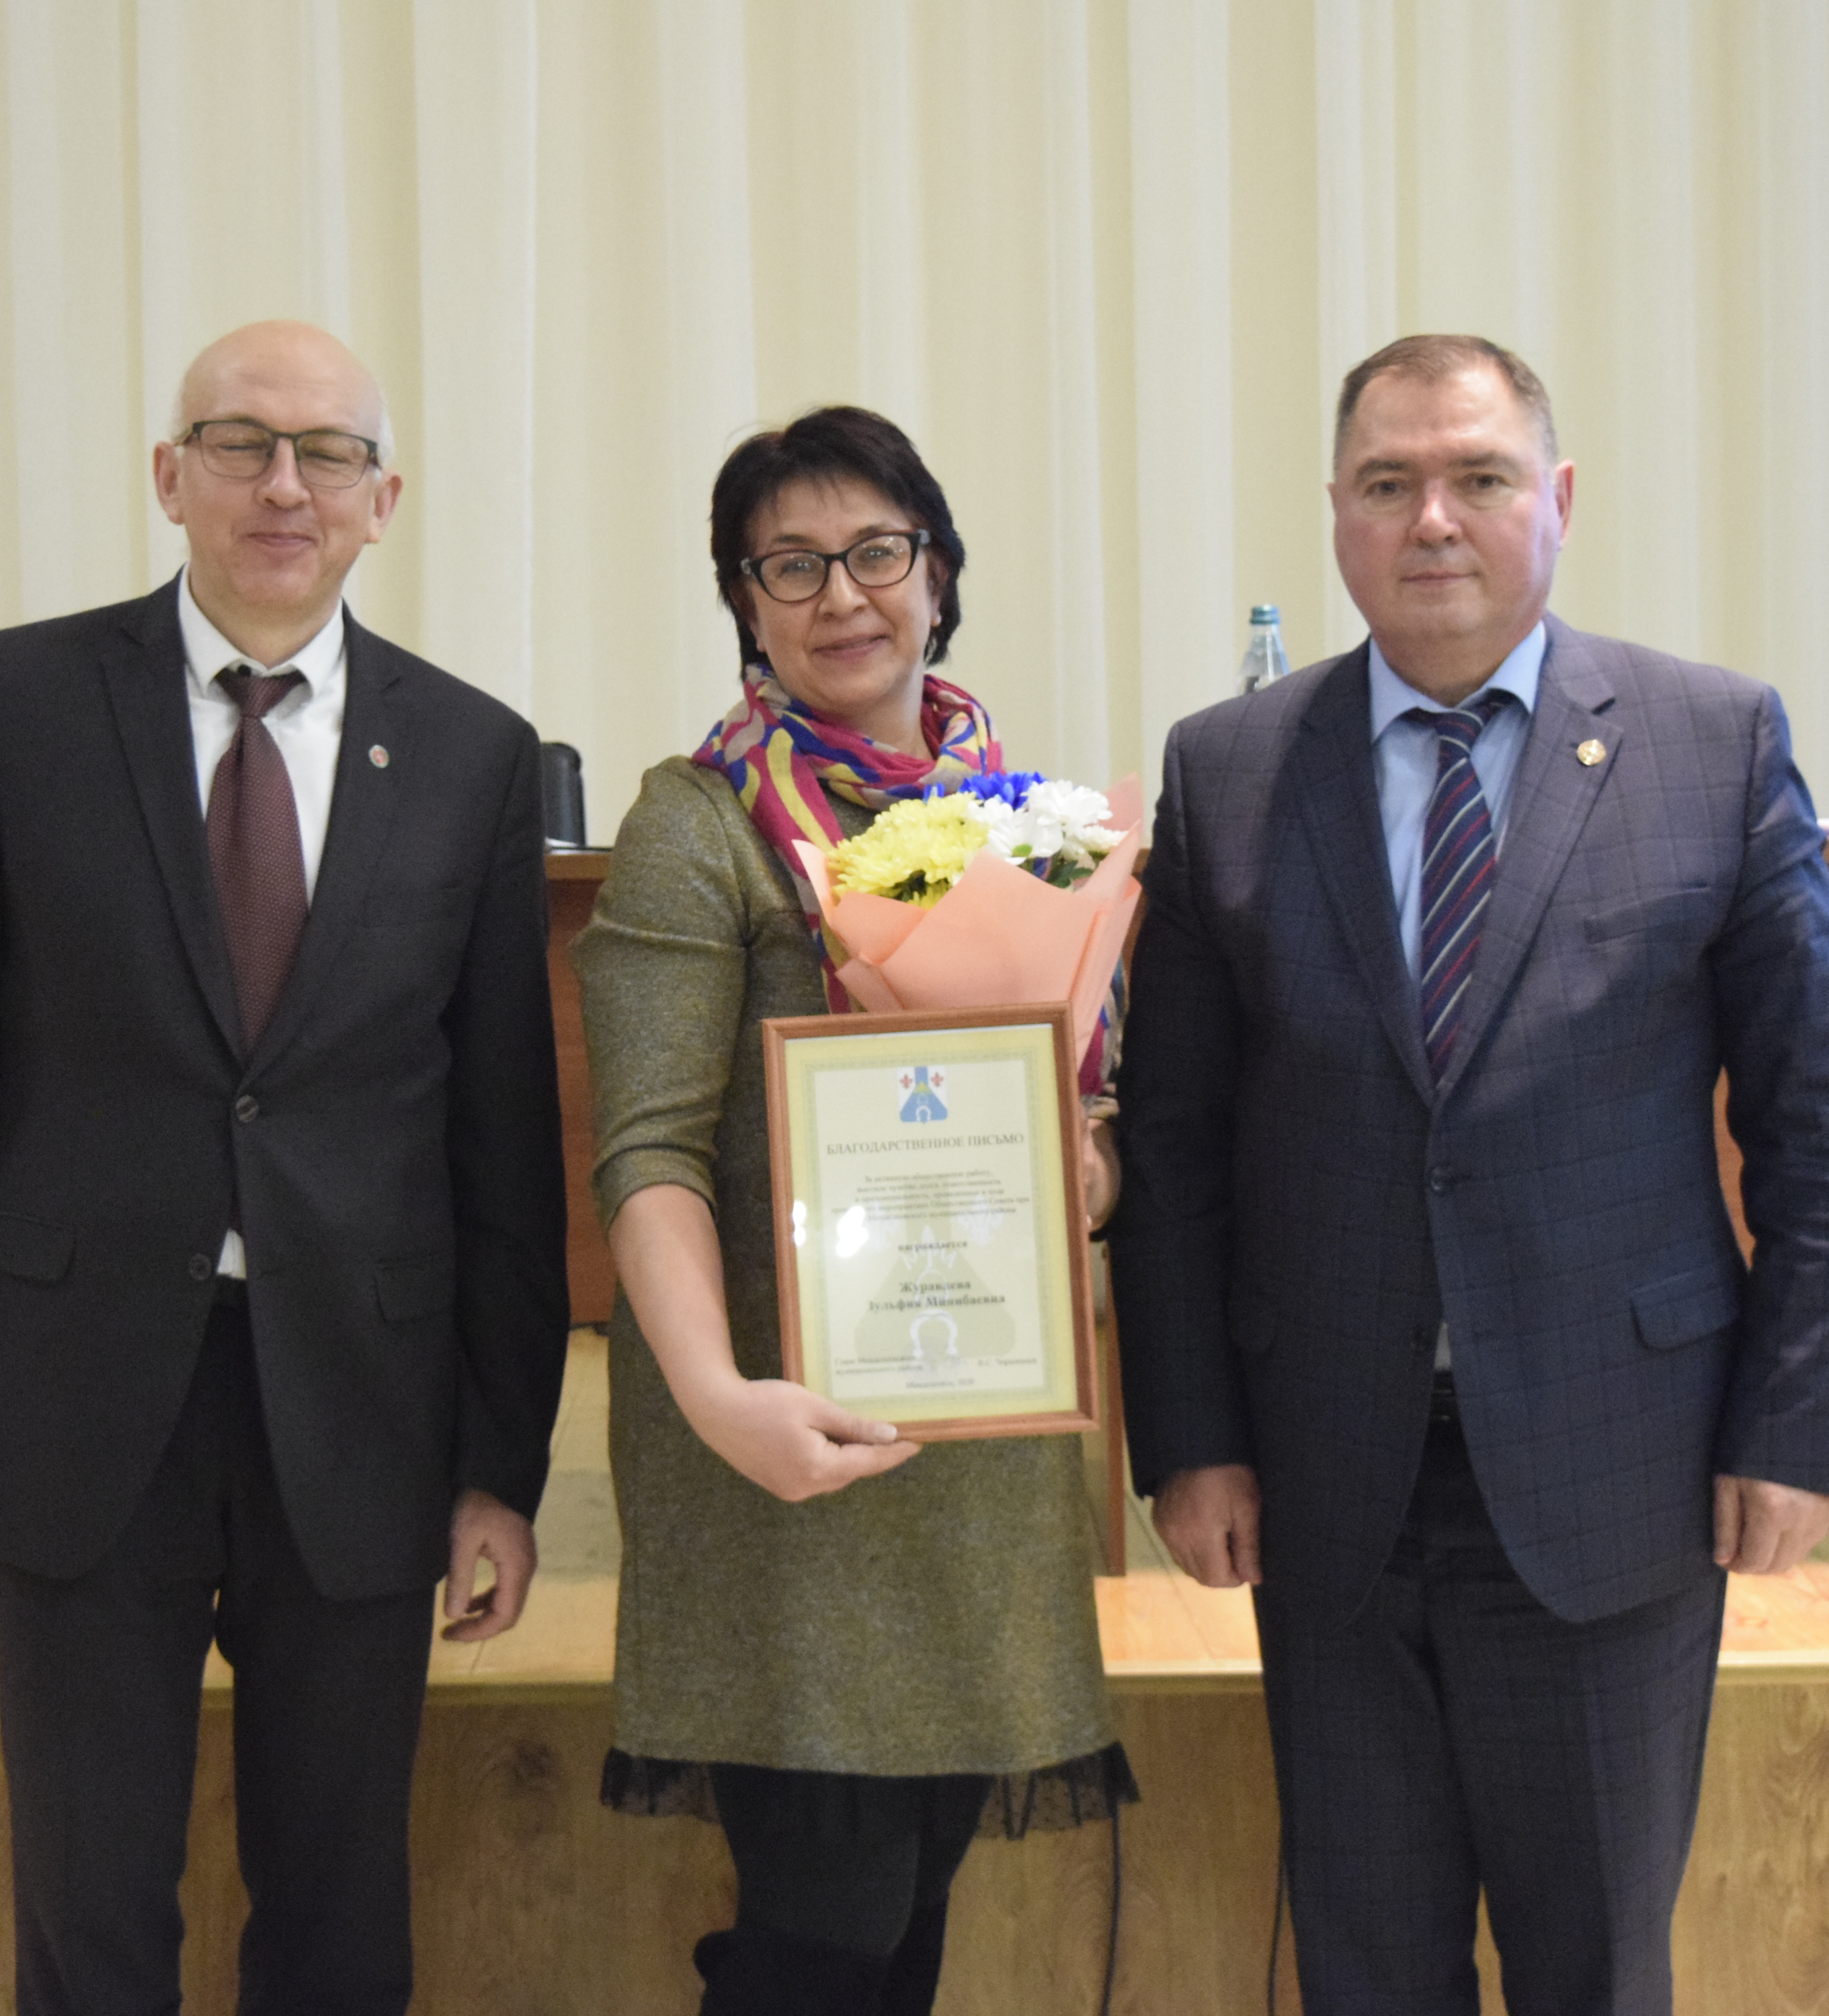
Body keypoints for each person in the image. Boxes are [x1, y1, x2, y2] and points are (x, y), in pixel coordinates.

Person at [1110, 335, 1829, 2016]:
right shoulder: (1231, 770)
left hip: (1617, 1471)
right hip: (1325, 1478)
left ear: (1559, 499)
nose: (1432, 520)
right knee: (1367, 1970)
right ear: (1336, 511)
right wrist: (1189, 1436)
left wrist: (1794, 1425)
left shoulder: (1708, 742)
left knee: (1593, 1971)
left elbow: (1817, 1122)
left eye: (1478, 478)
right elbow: (1170, 1147)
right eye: (1388, 483)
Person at [0, 320, 569, 2016]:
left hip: (362, 1409)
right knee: (89, 1909)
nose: (283, 485)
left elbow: (502, 1145)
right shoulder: (13, 705)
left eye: (328, 452)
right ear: (169, 476)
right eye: (241, 442)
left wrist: (502, 1465)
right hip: (80, 1396)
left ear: (385, 498)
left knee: (337, 1912)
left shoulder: (471, 753)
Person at [574, 406, 1133, 2015]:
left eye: (876, 553)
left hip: (975, 1437)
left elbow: (1095, 1125)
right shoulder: (699, 823)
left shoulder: (1030, 827)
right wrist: (714, 1398)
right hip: (777, 1440)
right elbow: (648, 1153)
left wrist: (1081, 1173)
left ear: (937, 575)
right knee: (823, 1931)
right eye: (791, 565)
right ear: (743, 602)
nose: (841, 596)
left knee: (907, 1924)